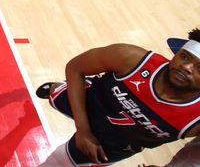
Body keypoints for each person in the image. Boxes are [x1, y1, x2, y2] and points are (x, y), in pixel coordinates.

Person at [35, 29, 200, 166]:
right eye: (184, 56)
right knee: (56, 96)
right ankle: (56, 89)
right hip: (91, 102)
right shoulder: (130, 58)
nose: (185, 67)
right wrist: (83, 130)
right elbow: (75, 67)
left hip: (113, 144)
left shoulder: (196, 120)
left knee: (59, 163)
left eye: (199, 68)